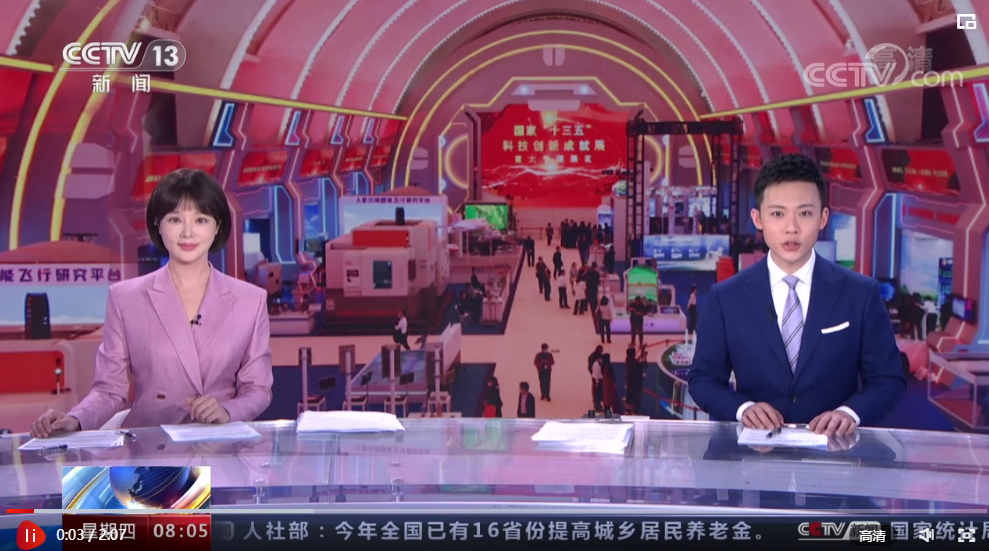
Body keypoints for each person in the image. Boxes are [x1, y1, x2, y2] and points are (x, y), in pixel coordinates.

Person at [30, 169, 273, 436]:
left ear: (217, 227)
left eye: (201, 220)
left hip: (219, 443)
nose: (188, 232)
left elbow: (258, 389)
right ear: (158, 225)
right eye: (175, 219)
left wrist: (227, 411)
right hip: (149, 445)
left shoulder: (250, 301)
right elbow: (110, 390)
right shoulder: (125, 298)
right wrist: (76, 419)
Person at [687, 154, 905, 436]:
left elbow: (888, 380)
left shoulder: (861, 294)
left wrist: (849, 413)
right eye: (778, 214)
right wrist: (743, 409)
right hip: (755, 453)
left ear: (823, 218)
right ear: (757, 218)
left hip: (835, 453)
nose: (792, 228)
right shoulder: (726, 298)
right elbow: (703, 379)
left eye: (805, 213)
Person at [625, 346, 645, 414]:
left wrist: (641, 355)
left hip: (630, 381)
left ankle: (628, 410)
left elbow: (636, 361)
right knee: (636, 397)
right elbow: (643, 364)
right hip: (636, 382)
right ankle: (636, 411)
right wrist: (644, 356)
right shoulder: (633, 363)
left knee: (630, 396)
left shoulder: (628, 360)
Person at [588, 345, 605, 411]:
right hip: (597, 375)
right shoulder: (598, 357)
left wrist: (591, 372)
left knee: (595, 388)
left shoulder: (591, 356)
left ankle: (596, 400)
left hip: (594, 374)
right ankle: (597, 402)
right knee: (597, 389)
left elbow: (589, 366)